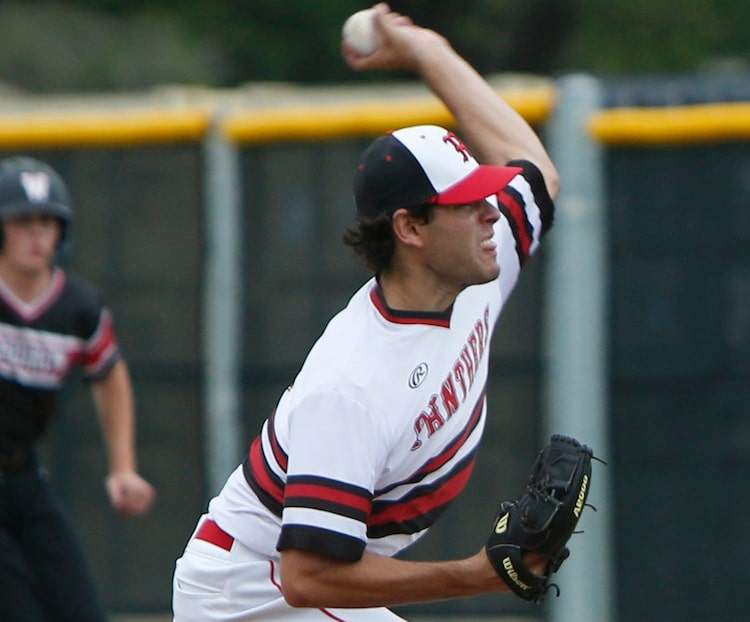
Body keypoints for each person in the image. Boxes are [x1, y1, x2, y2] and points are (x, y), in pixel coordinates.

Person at [172, 3, 559, 620]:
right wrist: (475, 575)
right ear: (411, 227)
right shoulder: (352, 384)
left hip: (300, 576)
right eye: (468, 204)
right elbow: (310, 577)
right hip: (252, 592)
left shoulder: (472, 271)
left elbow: (534, 169)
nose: (493, 212)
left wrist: (427, 52)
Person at [0, 156, 156, 622]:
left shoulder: (78, 308)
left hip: (22, 476)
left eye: (47, 221)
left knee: (82, 610)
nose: (36, 234)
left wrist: (123, 467)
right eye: (22, 221)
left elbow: (108, 372)